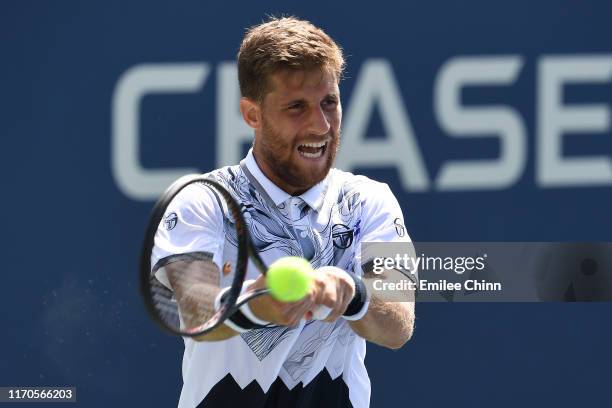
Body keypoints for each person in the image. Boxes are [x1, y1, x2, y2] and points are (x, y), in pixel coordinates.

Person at [152, 16, 416, 408]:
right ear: (252, 114)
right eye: (297, 107)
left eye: (330, 102)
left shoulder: (371, 201)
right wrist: (258, 302)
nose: (321, 125)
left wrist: (351, 294)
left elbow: (398, 325)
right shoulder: (201, 200)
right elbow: (195, 309)